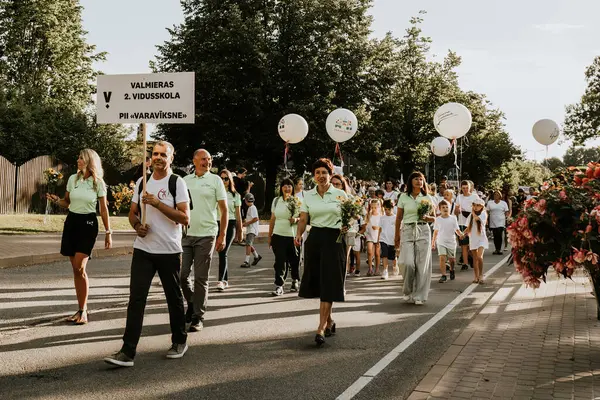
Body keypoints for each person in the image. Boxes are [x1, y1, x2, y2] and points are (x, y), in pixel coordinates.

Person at [104, 141, 190, 367]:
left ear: (171, 158)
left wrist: (158, 204)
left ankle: (180, 341)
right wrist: (136, 226)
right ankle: (127, 351)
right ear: (150, 158)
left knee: (173, 298)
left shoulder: (176, 183)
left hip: (169, 250)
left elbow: (184, 218)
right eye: (155, 154)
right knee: (136, 299)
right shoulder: (143, 181)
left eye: (164, 154)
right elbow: (132, 214)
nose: (159, 157)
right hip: (144, 249)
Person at [46, 149, 112, 325]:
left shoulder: (98, 182)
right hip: (72, 222)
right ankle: (81, 309)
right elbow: (66, 203)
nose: (78, 160)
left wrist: (108, 232)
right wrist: (55, 200)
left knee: (80, 266)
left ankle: (83, 311)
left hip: (88, 224)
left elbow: (103, 209)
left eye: (81, 158)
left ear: (89, 161)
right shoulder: (72, 179)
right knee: (75, 269)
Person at [295, 158, 348, 346]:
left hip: (335, 239)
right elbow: (303, 219)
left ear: (330, 174)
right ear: (313, 175)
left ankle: (320, 328)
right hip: (315, 238)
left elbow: (350, 216)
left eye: (324, 172)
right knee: (320, 282)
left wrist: (347, 226)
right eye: (317, 173)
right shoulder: (307, 195)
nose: (321, 176)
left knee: (329, 282)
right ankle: (329, 320)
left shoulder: (340, 194)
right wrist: (298, 235)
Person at [181, 149, 228, 333]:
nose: (207, 162)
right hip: (185, 235)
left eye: (209, 159)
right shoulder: (185, 181)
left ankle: (198, 317)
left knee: (201, 278)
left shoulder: (215, 180)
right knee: (182, 275)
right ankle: (192, 302)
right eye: (203, 159)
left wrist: (222, 235)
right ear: (194, 161)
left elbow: (224, 210)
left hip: (207, 235)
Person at [394, 172, 435, 305]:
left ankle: (419, 296)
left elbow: (434, 217)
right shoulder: (403, 197)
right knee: (408, 262)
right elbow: (399, 217)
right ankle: (407, 290)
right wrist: (397, 235)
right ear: (410, 181)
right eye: (416, 179)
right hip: (407, 230)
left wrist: (428, 218)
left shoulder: (427, 197)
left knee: (422, 265)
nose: (419, 181)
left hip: (423, 230)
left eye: (421, 179)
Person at [268, 178, 300, 296]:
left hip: (292, 235)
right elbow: (272, 219)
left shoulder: (296, 201)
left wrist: (296, 219)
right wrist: (270, 235)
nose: (287, 188)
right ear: (281, 188)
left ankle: (295, 279)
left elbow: (303, 218)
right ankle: (279, 285)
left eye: (290, 186)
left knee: (294, 260)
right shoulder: (276, 201)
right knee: (280, 261)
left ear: (293, 188)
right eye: (285, 186)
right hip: (278, 234)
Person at [216, 169, 243, 291]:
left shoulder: (235, 195)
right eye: (221, 178)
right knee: (216, 252)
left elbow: (238, 215)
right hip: (216, 223)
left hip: (230, 223)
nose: (223, 181)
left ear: (230, 180)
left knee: (223, 251)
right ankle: (224, 279)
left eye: (226, 178)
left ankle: (222, 280)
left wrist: (240, 231)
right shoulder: (215, 193)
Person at [432, 200, 461, 283]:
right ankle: (443, 275)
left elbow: (457, 230)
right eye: (443, 207)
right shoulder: (438, 219)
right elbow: (435, 232)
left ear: (449, 208)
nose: (445, 209)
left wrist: (461, 235)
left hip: (451, 241)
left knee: (452, 260)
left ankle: (452, 269)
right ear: (439, 209)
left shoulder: (453, 218)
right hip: (441, 241)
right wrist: (433, 242)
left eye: (447, 207)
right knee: (442, 258)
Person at [462, 198, 488, 284]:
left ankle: (481, 275)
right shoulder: (470, 216)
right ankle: (476, 276)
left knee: (479, 257)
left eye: (478, 205)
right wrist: (463, 233)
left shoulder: (483, 214)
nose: (476, 207)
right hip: (473, 238)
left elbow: (477, 219)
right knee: (475, 258)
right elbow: (469, 227)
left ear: (482, 207)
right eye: (474, 205)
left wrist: (472, 212)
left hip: (481, 238)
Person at [455, 180, 480, 271]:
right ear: (461, 188)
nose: (465, 190)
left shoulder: (474, 196)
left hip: (472, 223)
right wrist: (458, 210)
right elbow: (455, 211)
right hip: (462, 222)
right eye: (463, 188)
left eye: (467, 188)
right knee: (464, 245)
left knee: (472, 244)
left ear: (470, 188)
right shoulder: (459, 197)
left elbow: (479, 209)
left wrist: (471, 211)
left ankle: (472, 259)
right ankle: (465, 263)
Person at [241, 193, 262, 267]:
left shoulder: (252, 208)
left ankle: (246, 261)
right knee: (248, 244)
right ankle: (257, 256)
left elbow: (256, 218)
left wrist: (247, 223)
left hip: (252, 229)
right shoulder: (251, 208)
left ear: (246, 201)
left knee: (248, 244)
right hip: (250, 229)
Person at [486, 190, 510, 255]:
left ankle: (499, 249)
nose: (496, 196)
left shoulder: (503, 203)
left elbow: (506, 212)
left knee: (499, 234)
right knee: (495, 235)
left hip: (501, 221)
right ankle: (496, 249)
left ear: (500, 196)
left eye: (497, 194)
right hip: (493, 221)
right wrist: (486, 220)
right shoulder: (490, 203)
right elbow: (487, 212)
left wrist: (507, 218)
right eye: (495, 195)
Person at [379, 199, 397, 280]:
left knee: (393, 257)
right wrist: (377, 240)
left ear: (392, 208)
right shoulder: (382, 218)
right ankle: (385, 270)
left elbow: (398, 230)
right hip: (383, 239)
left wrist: (398, 240)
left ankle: (395, 266)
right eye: (385, 209)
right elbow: (380, 229)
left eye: (388, 209)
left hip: (392, 240)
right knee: (384, 254)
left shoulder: (396, 218)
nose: (387, 211)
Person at [365, 198, 382, 276]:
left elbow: (382, 227)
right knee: (369, 251)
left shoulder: (380, 216)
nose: (373, 209)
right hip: (370, 235)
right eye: (372, 207)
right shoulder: (369, 214)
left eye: (375, 207)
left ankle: (377, 269)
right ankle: (370, 268)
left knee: (377, 253)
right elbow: (366, 223)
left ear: (378, 207)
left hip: (377, 235)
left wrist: (378, 228)